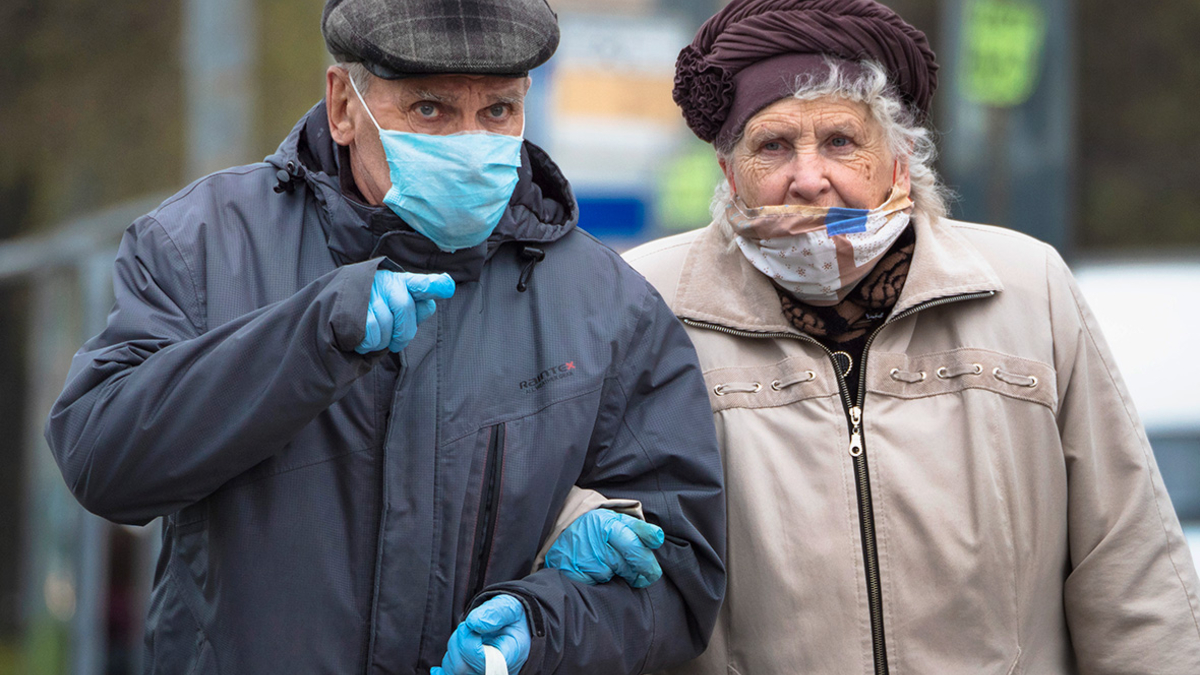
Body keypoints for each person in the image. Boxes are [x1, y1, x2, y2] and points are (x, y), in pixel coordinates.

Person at [43, 1, 725, 673]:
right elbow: (104, 459)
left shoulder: (607, 303)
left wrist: (546, 624)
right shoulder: (202, 244)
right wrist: (310, 337)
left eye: (497, 111)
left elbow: (680, 574)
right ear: (344, 105)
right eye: (430, 110)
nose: (469, 144)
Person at [618, 0, 1200, 672]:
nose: (809, 179)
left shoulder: (1026, 286)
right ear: (730, 174)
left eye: (840, 141)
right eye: (774, 146)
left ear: (898, 159)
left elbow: (1129, 563)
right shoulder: (648, 303)